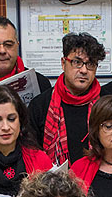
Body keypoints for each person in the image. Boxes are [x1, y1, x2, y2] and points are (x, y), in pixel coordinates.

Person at [29, 32, 106, 166]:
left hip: (99, 180)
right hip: (54, 182)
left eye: (91, 64)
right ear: (63, 63)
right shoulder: (40, 105)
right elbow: (31, 154)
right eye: (77, 62)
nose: (83, 70)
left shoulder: (106, 103)